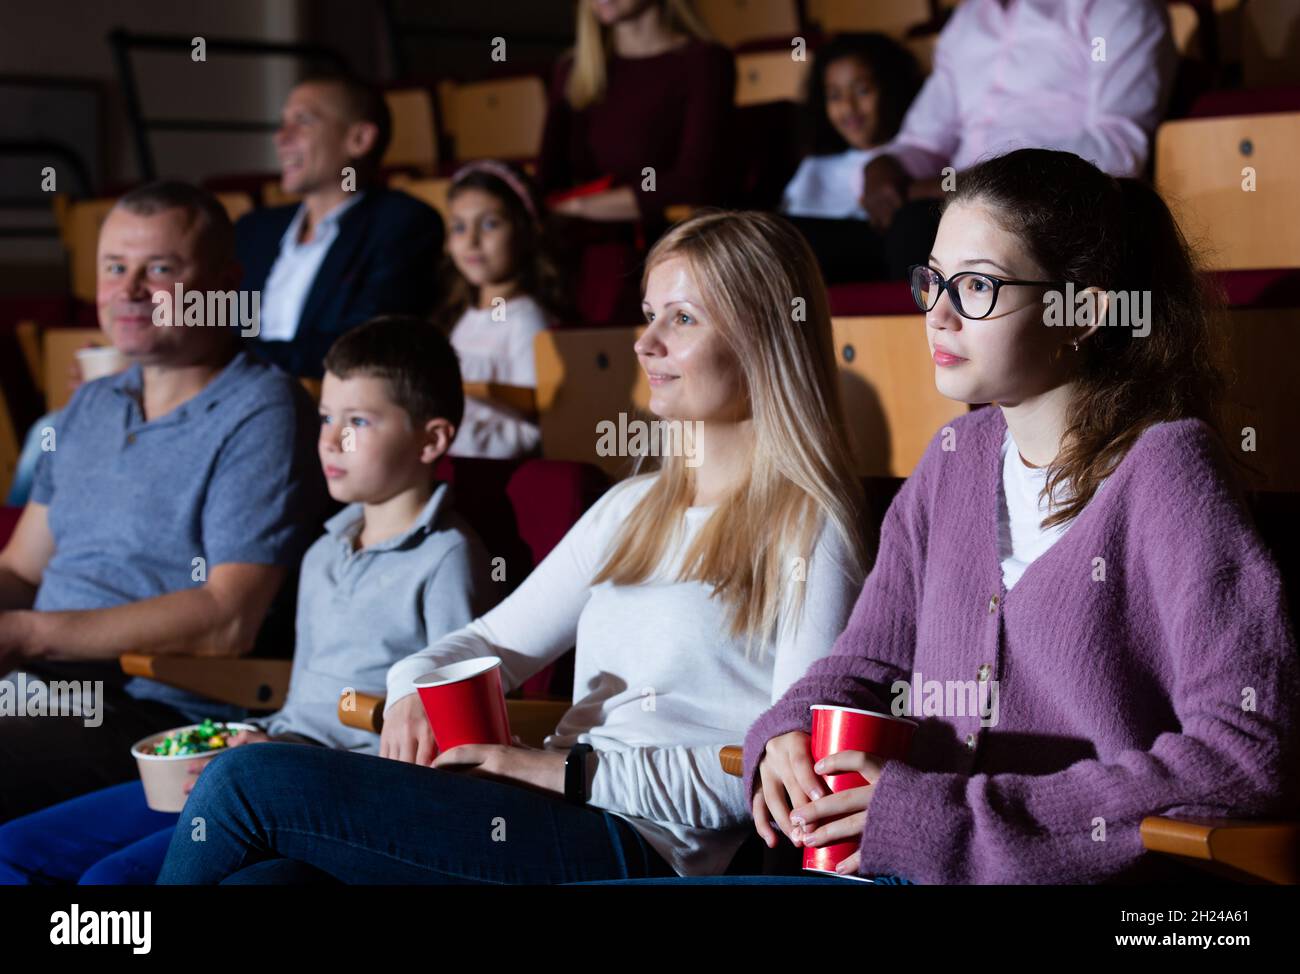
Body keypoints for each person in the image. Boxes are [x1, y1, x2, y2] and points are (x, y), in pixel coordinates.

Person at [156, 210, 869, 884]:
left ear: (763, 337)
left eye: (681, 319)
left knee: (247, 781)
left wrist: (560, 772)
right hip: (549, 808)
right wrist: (413, 689)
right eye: (649, 314)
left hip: (643, 846)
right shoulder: (632, 508)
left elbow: (780, 772)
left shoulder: (813, 526)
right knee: (272, 881)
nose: (644, 342)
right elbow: (489, 641)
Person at [744, 149, 1299, 884]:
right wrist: (790, 724)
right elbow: (864, 664)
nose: (937, 313)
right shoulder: (952, 457)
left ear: (1085, 311)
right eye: (932, 280)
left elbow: (1246, 753)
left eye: (975, 286)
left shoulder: (1169, 471)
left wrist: (948, 820)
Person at [0, 316, 498, 884]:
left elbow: (450, 739)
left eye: (358, 421)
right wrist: (256, 743)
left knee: (110, 883)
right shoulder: (323, 550)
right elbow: (301, 700)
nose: (331, 440)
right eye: (327, 417)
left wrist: (276, 762)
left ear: (431, 439)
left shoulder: (448, 558)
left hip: (341, 788)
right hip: (272, 756)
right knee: (15, 849)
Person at [0, 182, 327, 823]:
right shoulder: (90, 406)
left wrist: (27, 633)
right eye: (115, 267)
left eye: (161, 270)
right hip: (34, 688)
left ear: (223, 284)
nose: (130, 290)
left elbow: (226, 616)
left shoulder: (263, 410)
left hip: (153, 710)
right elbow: (20, 569)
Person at [860, 0, 1176, 279]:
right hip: (950, 204)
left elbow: (1119, 147)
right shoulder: (969, 19)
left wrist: (975, 182)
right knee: (818, 241)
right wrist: (884, 164)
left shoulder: (1118, 7)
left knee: (914, 229)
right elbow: (924, 141)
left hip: (1050, 210)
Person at [537, 0, 734, 324]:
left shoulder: (704, 61)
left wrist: (579, 206)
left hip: (665, 246)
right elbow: (546, 183)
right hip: (582, 252)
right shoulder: (572, 70)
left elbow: (692, 183)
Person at [238, 74, 445, 377]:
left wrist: (229, 361)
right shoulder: (254, 229)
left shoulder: (403, 224)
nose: (281, 137)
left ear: (359, 140)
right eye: (283, 122)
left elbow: (362, 346)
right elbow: (219, 321)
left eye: (303, 121)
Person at [436, 162, 565, 459]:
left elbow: (537, 415)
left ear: (524, 231)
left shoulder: (525, 319)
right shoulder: (465, 317)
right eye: (459, 227)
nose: (471, 241)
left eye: (490, 224)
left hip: (491, 464)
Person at [780, 33, 922, 284]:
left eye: (862, 91)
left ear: (892, 88)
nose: (848, 107)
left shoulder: (914, 159)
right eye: (835, 96)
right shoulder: (814, 167)